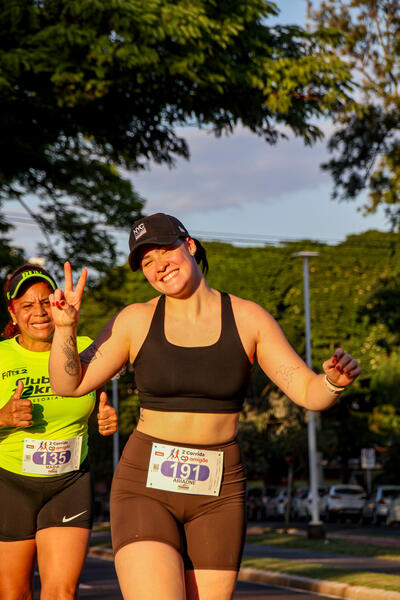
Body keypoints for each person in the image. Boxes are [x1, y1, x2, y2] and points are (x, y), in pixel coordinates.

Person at [48, 213, 361, 600]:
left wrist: (333, 381)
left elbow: (308, 392)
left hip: (220, 492)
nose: (158, 265)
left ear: (190, 246)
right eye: (146, 261)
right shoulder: (136, 321)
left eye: (165, 250)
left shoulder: (248, 319)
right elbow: (69, 383)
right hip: (145, 487)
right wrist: (65, 328)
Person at [0, 263, 118, 600]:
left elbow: (100, 399)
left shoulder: (82, 346)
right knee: (13, 594)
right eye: (26, 305)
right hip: (10, 484)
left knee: (62, 593)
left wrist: (104, 415)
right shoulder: (1, 355)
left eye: (45, 302)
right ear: (12, 311)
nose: (38, 312)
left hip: (69, 482)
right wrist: (3, 417)